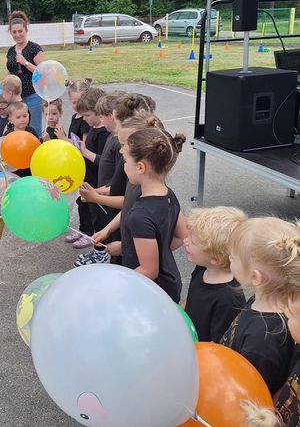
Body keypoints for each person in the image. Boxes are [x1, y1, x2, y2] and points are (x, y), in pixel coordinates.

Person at [222, 217, 298, 395]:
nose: (229, 259)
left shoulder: (263, 340)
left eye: (233, 257)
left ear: (255, 277)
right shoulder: (261, 302)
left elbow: (250, 394)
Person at [112, 127, 186, 302]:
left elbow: (149, 270)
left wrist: (116, 285)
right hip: (169, 280)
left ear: (140, 167)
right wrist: (130, 247)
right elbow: (182, 235)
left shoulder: (139, 215)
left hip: (152, 292)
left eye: (125, 160)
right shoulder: (169, 194)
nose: (124, 165)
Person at [183, 206, 247, 342]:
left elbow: (219, 345)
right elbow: (192, 300)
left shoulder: (229, 300)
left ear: (215, 259)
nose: (185, 241)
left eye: (192, 241)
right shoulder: (202, 269)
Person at [76, 93, 125, 265]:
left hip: (113, 201)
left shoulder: (121, 143)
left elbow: (121, 187)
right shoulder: (113, 137)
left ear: (112, 116)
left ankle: (105, 257)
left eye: (103, 117)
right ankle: (106, 256)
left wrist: (97, 195)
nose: (102, 123)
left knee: (115, 240)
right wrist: (97, 192)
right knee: (105, 229)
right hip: (107, 196)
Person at [61, 79, 92, 246]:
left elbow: (83, 147)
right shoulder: (75, 116)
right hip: (77, 165)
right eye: (74, 102)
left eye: (80, 101)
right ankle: (82, 230)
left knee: (86, 201)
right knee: (81, 202)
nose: (77, 105)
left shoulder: (86, 121)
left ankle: (90, 233)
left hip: (86, 166)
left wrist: (63, 139)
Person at [6, 10, 45, 134]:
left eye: (20, 31)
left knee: (34, 129)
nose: (17, 35)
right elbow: (10, 72)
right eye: (14, 32)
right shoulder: (11, 51)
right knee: (17, 130)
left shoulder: (34, 48)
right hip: (16, 97)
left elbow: (43, 73)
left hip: (32, 95)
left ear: (26, 30)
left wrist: (25, 62)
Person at [4, 101, 39, 177]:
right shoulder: (8, 134)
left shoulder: (31, 131)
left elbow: (38, 148)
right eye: (18, 117)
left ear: (29, 116)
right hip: (15, 170)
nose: (22, 119)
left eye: (25, 116)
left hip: (30, 168)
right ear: (10, 120)